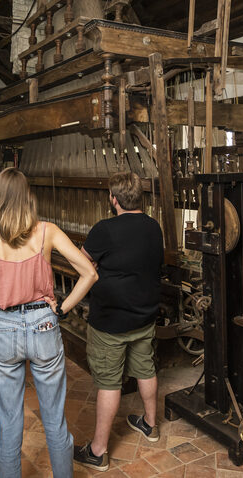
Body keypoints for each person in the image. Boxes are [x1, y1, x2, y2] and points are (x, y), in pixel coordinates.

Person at [0, 167, 98, 478]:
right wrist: (63, 308)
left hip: (5, 327)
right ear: (27, 197)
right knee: (55, 420)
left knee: (9, 424)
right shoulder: (48, 231)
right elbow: (89, 273)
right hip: (43, 322)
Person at [72, 172, 164, 471]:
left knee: (109, 383)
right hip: (144, 315)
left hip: (111, 321)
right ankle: (150, 424)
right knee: (145, 369)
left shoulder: (105, 229)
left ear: (113, 199)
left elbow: (82, 264)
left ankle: (98, 451)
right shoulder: (153, 227)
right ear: (140, 197)